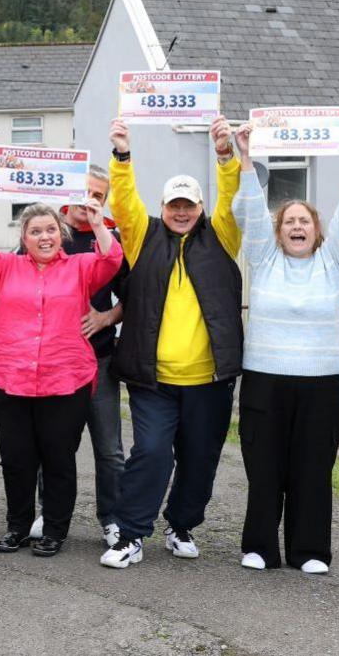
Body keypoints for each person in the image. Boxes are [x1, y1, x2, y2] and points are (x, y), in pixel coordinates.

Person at [101, 117, 242, 570]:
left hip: (209, 379)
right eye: (174, 205)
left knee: (200, 459)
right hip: (153, 379)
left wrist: (225, 155)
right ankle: (130, 535)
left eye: (189, 205)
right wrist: (123, 154)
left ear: (201, 208)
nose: (181, 212)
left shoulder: (222, 237)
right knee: (153, 452)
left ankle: (181, 525)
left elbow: (233, 200)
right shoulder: (142, 238)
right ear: (163, 207)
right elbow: (123, 204)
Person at [231, 123, 339, 573]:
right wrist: (246, 158)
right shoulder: (264, 259)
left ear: (317, 231)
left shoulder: (334, 264)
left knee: (312, 468)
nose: (297, 226)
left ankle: (309, 550)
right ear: (278, 231)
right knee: (265, 466)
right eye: (289, 221)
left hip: (321, 383)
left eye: (304, 221)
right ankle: (259, 547)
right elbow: (250, 212)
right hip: (265, 380)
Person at [0, 192, 123, 557]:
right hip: (11, 379)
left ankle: (54, 529)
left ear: (61, 233)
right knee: (16, 460)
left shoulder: (81, 267)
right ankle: (18, 526)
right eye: (35, 231)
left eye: (51, 229)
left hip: (66, 380)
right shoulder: (7, 267)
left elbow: (112, 258)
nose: (44, 237)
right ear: (24, 238)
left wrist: (98, 222)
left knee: (58, 459)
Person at [30, 165, 130, 548]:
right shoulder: (48, 234)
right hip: (54, 363)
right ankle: (49, 512)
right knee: (54, 446)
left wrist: (106, 317)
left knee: (109, 448)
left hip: (100, 361)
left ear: (103, 203)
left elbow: (130, 295)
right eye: (82, 191)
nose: (87, 201)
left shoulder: (110, 240)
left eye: (97, 196)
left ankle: (112, 518)